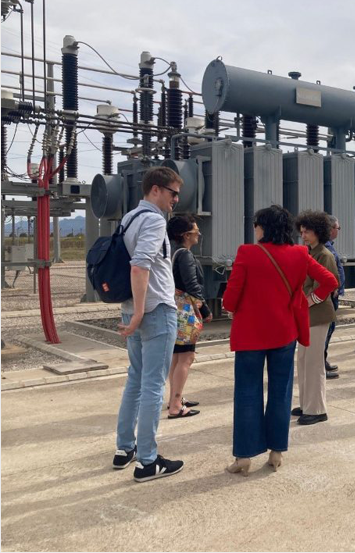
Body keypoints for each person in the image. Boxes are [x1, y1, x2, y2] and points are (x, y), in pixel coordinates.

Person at [222, 206, 337, 476]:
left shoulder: (247, 253)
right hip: (284, 333)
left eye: (256, 224)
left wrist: (235, 306)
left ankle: (244, 457)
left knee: (248, 394)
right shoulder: (300, 253)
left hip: (250, 335)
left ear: (263, 227)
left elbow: (229, 299)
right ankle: (276, 453)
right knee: (280, 393)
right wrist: (308, 300)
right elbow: (329, 280)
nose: (254, 229)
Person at [113, 166, 184, 482]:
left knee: (136, 379)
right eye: (173, 193)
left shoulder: (128, 218)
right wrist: (142, 312)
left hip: (133, 308)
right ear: (156, 190)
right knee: (154, 384)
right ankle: (147, 462)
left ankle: (124, 449)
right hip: (154, 311)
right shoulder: (155, 220)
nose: (175, 200)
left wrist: (133, 311)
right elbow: (140, 266)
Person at [293, 210, 340, 425]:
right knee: (303, 361)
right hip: (307, 314)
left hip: (318, 314)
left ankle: (317, 408)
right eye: (302, 231)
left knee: (313, 363)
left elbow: (326, 286)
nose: (303, 235)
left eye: (307, 231)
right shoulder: (310, 252)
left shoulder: (324, 255)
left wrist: (304, 301)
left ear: (318, 232)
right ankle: (306, 404)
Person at [166, 215, 211, 419]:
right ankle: (176, 405)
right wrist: (205, 309)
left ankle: (175, 399)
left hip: (173, 311)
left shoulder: (172, 252)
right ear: (185, 235)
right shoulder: (185, 255)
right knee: (187, 357)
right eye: (195, 231)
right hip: (185, 313)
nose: (198, 234)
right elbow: (192, 285)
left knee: (176, 358)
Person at [323, 216, 346, 380]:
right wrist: (334, 288)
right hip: (329, 297)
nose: (338, 231)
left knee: (329, 330)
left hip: (333, 296)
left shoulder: (329, 247)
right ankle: (320, 366)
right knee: (326, 331)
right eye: (338, 228)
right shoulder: (326, 249)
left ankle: (323, 361)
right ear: (331, 229)